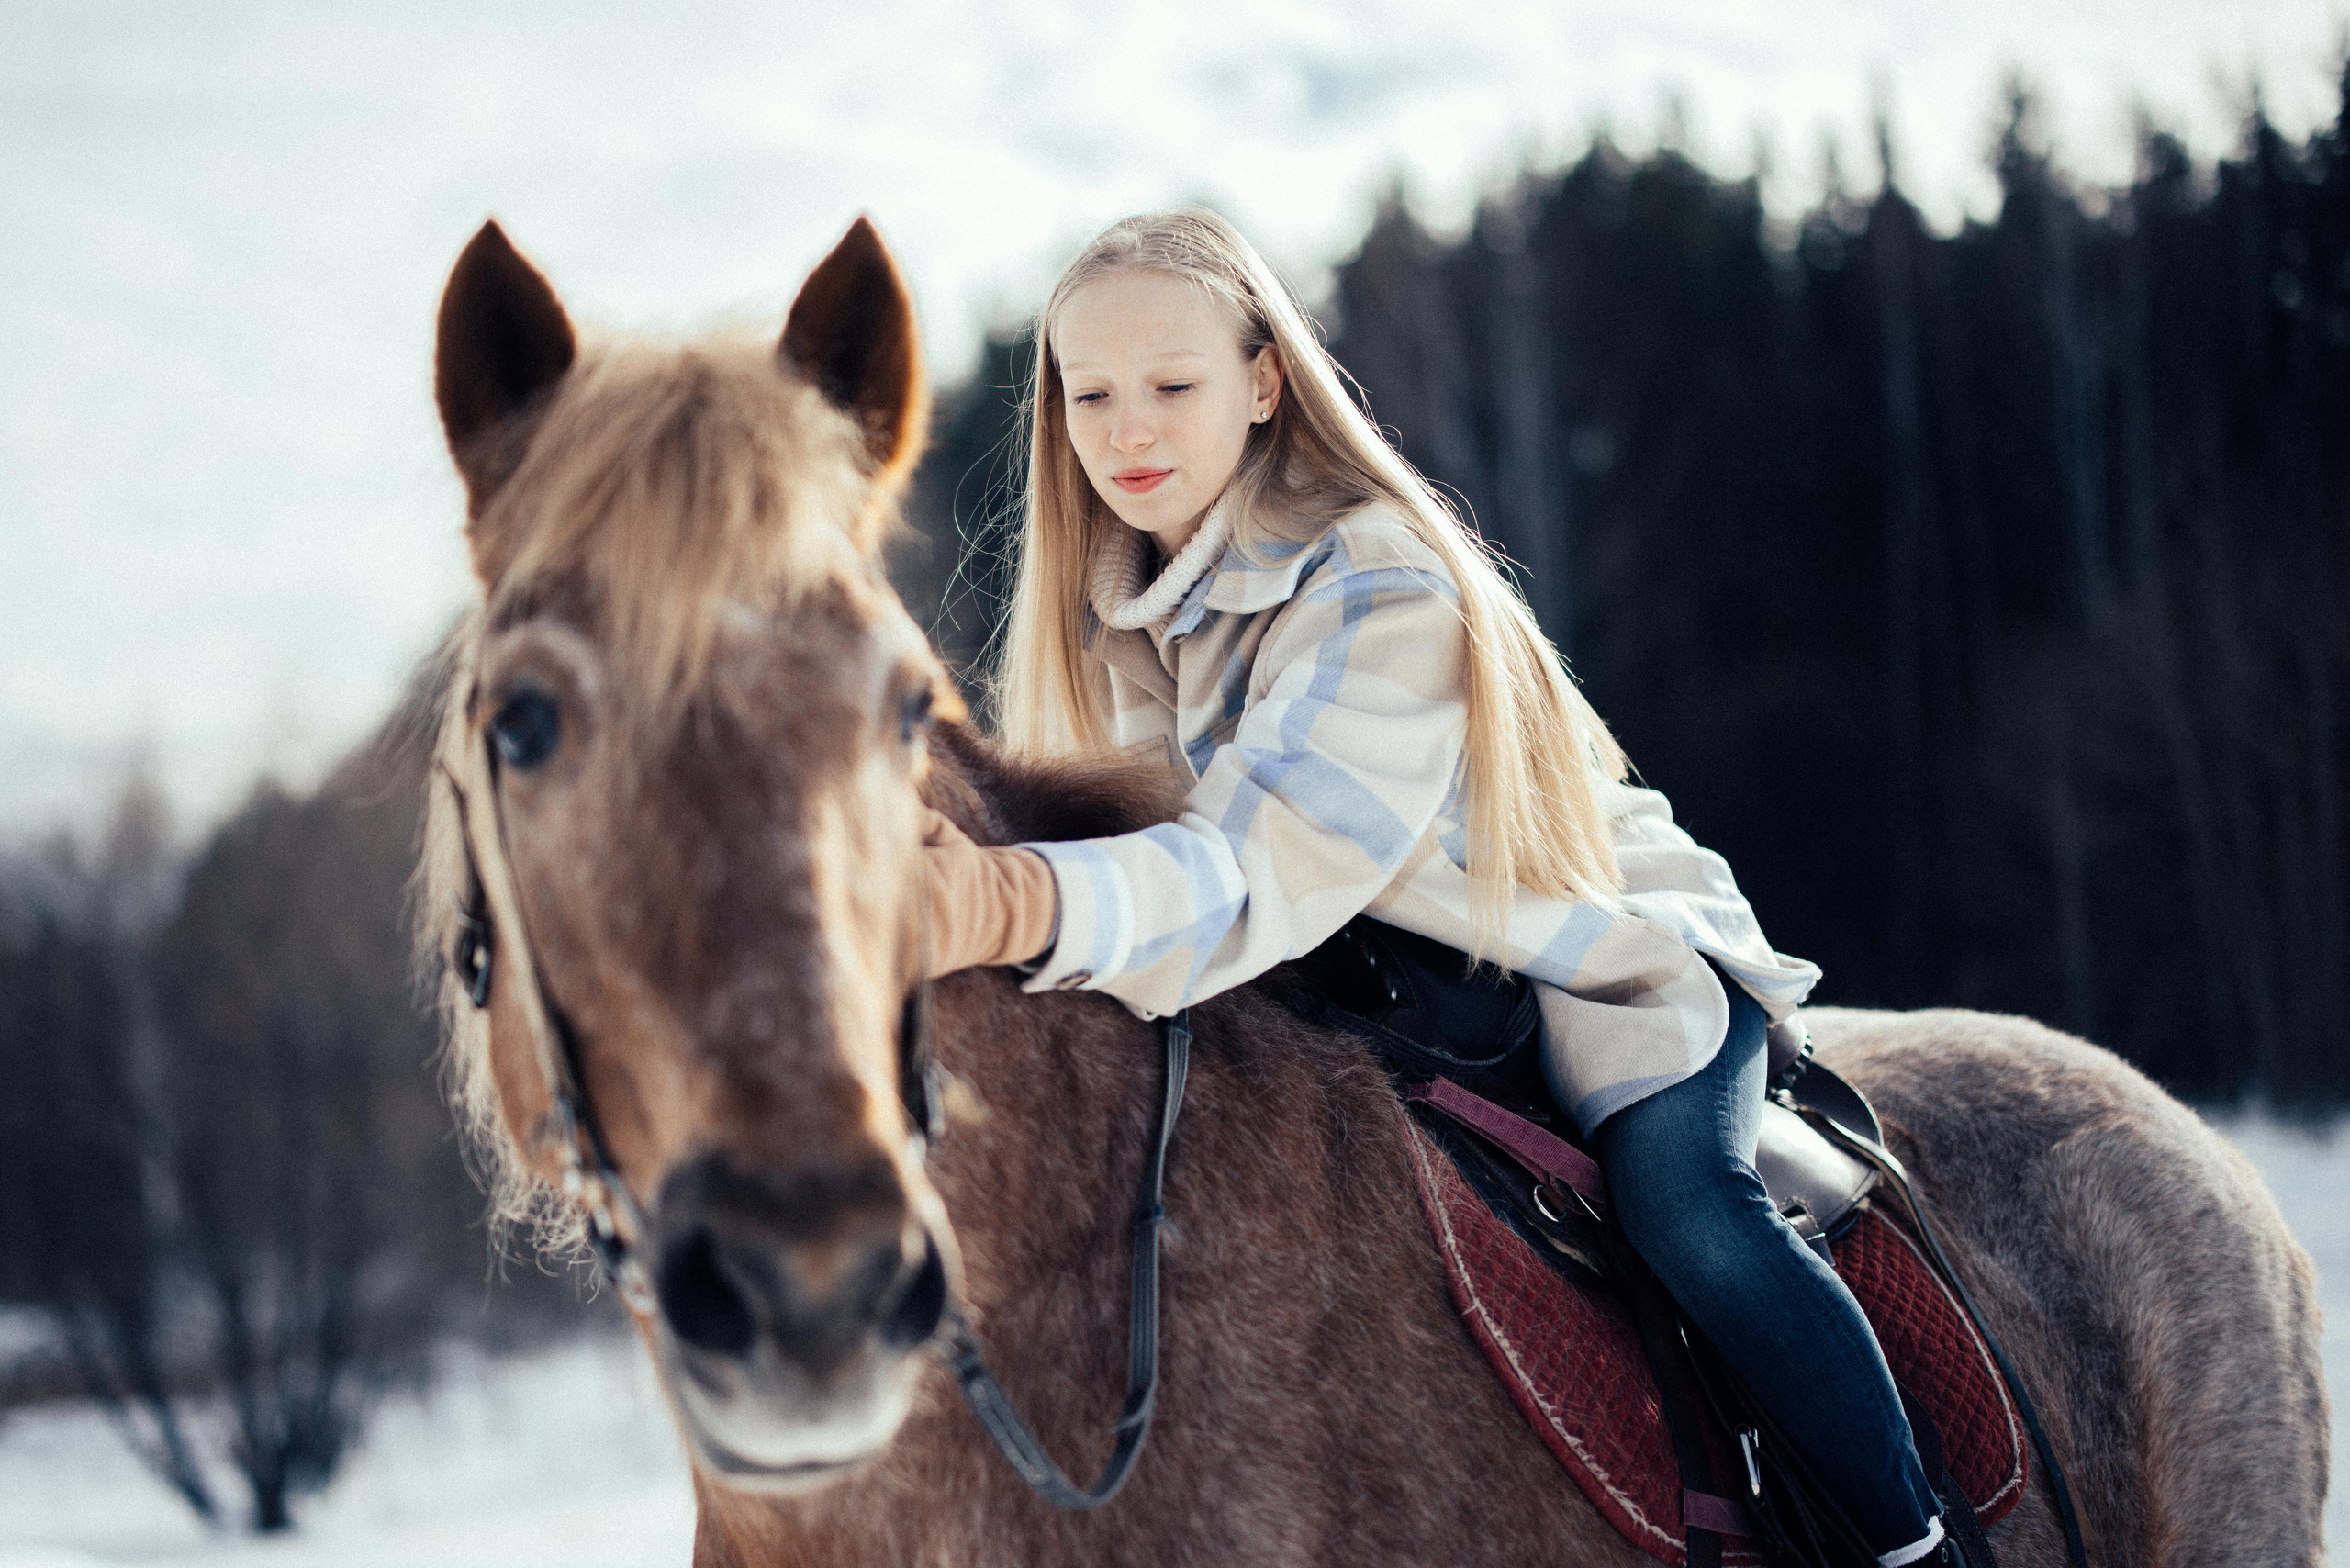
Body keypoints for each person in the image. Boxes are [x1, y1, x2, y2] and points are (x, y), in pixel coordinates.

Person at [920, 208, 1957, 1568]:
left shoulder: (1375, 583)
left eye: (1171, 386)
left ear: (1262, 383)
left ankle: (1908, 1545)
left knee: (1691, 1214)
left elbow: (1255, 864)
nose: (1128, 430)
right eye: (1090, 394)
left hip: (1576, 964)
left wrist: (1008, 904)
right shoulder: (1098, 626)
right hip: (1339, 1002)